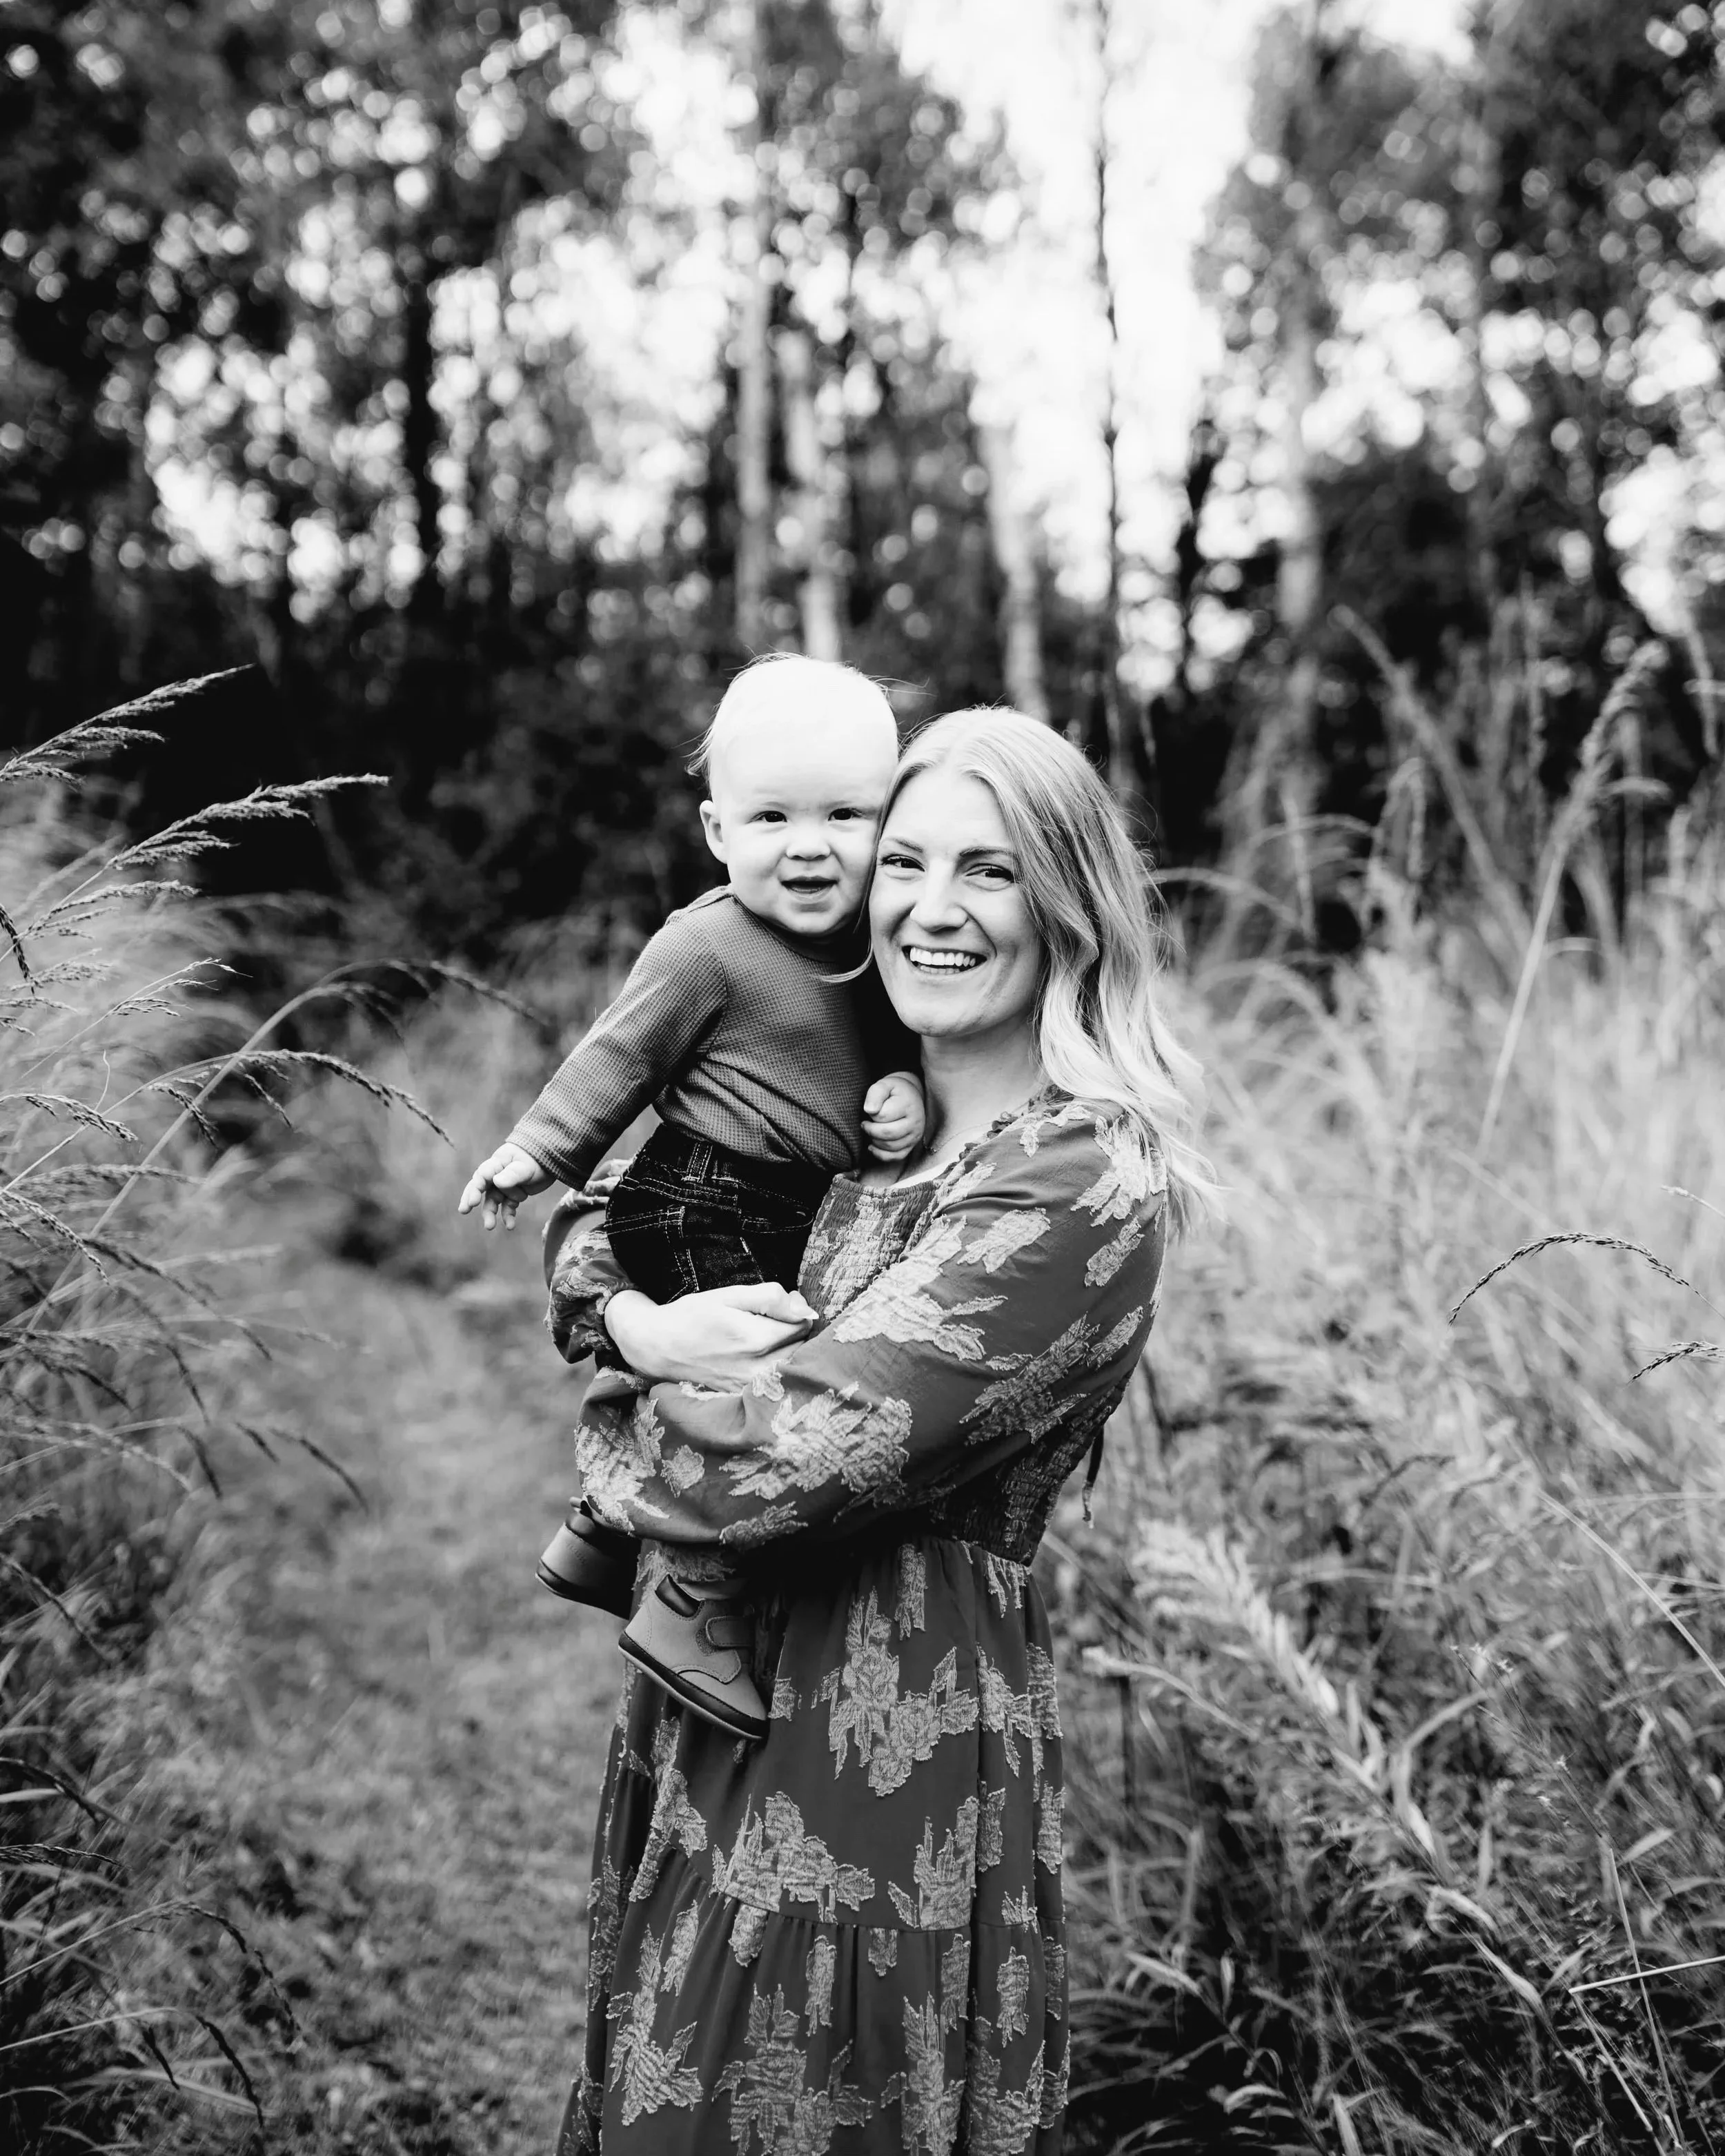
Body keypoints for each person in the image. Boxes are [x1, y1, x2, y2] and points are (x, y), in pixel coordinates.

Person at [542, 707, 1214, 2156]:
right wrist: (639, 1326)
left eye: (987, 869)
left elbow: (767, 1466)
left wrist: (609, 1379)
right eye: (901, 859)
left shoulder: (1076, 1181)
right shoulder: (868, 1124)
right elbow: (605, 1219)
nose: (927, 904)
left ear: (1069, 904)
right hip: (714, 1699)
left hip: (872, 1752)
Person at [457, 655, 926, 1741]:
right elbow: (615, 1058)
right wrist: (537, 1153)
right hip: (699, 1194)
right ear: (718, 832)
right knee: (752, 1379)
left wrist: (898, 1092)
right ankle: (692, 1603)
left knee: (741, 1356)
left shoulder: (882, 948)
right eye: (773, 817)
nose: (809, 845)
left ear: (889, 818)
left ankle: (603, 1530)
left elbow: (887, 1065)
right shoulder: (710, 942)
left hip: (774, 1205)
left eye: (846, 814)